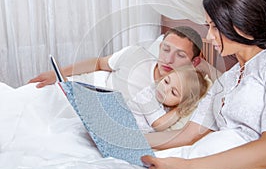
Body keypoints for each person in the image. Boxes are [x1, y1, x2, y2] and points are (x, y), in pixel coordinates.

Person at [141, 0, 266, 169]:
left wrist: (185, 166)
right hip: (208, 164)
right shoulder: (226, 80)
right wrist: (130, 139)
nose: (208, 36)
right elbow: (188, 135)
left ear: (242, 23)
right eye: (208, 26)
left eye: (214, 27)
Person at [28, 26, 208, 101]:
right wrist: (59, 73)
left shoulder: (181, 92)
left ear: (195, 62)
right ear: (160, 46)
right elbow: (99, 63)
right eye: (166, 50)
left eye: (180, 55)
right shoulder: (135, 54)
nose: (168, 60)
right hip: (81, 94)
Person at [127, 66, 208, 133]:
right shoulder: (149, 95)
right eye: (166, 81)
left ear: (182, 102)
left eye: (173, 92)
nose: (164, 89)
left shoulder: (166, 106)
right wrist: (180, 109)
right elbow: (158, 125)